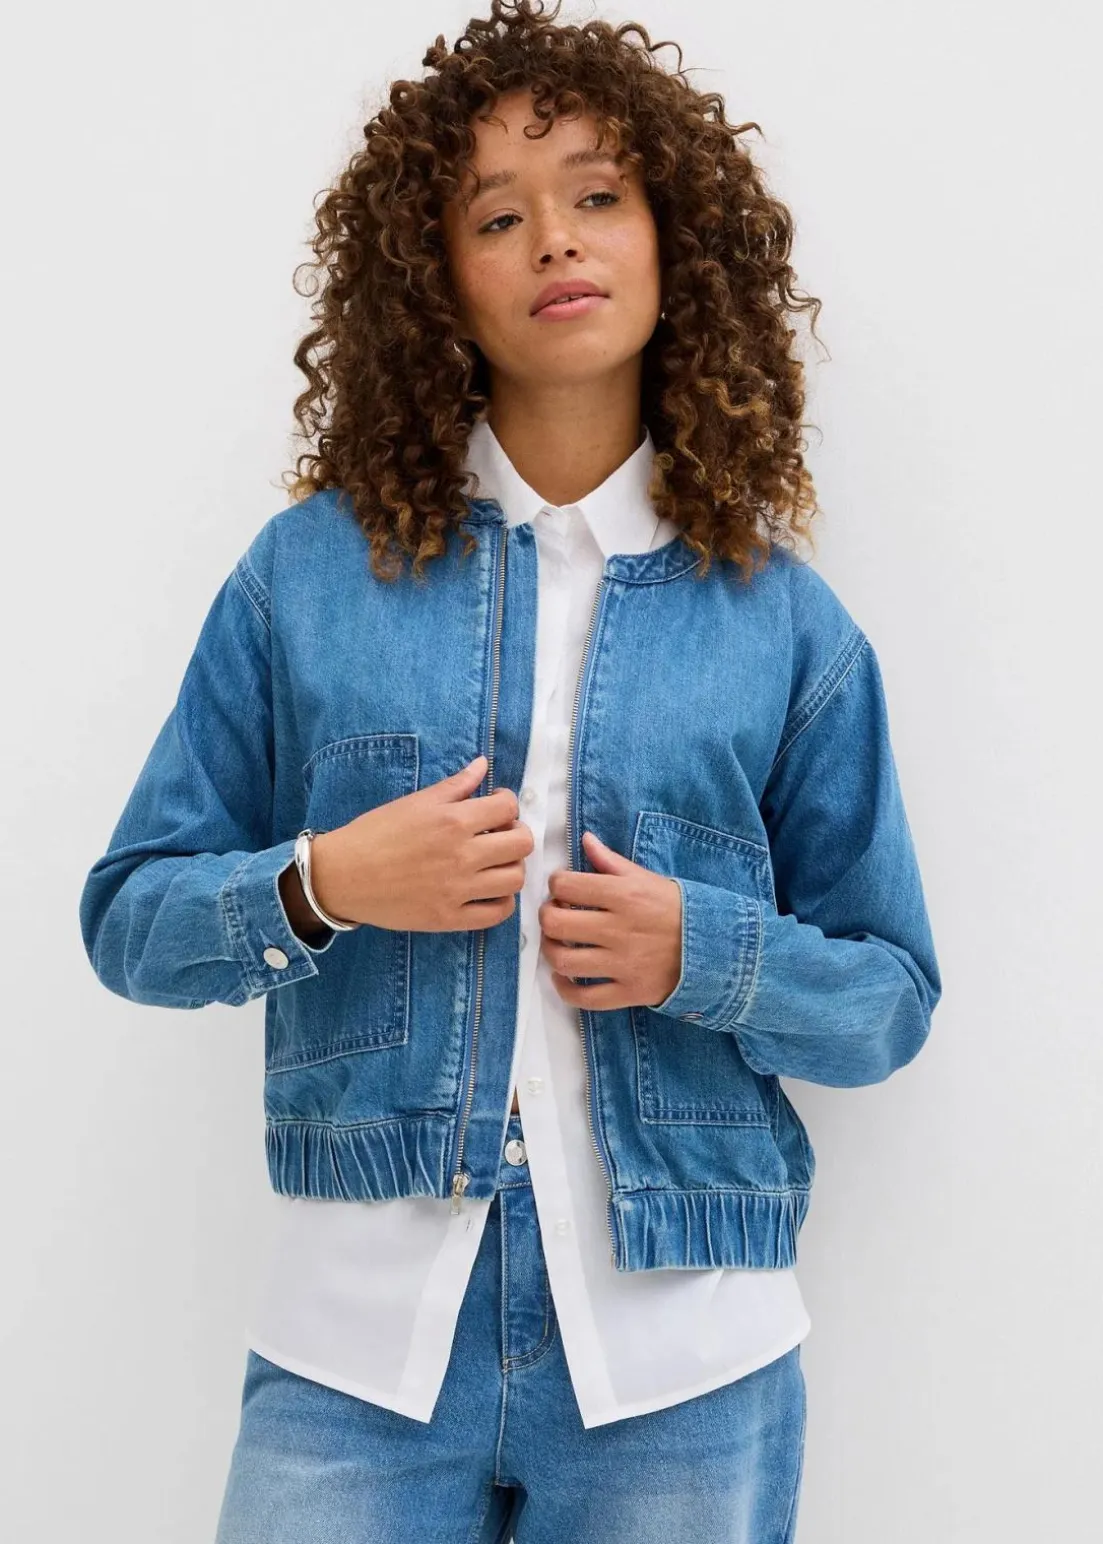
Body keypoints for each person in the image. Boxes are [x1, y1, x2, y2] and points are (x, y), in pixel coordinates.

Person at [78, 2, 942, 1539]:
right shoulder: (307, 578)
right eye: (496, 215)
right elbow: (130, 919)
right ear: (435, 281)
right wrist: (324, 884)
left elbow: (887, 1000)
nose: (555, 238)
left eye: (598, 194)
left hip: (686, 1361)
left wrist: (704, 955)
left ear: (676, 245)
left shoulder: (784, 624)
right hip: (353, 1354)